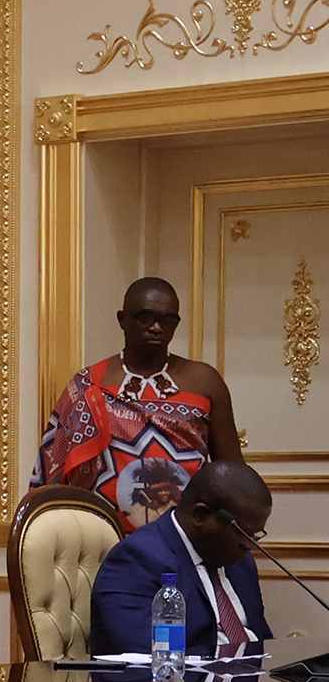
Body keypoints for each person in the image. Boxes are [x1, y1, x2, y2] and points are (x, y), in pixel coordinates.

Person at [30, 276, 244, 530]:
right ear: (122, 319)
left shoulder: (205, 382)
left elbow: (232, 474)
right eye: (145, 317)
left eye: (167, 320)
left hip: (186, 537)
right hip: (105, 537)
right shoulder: (89, 384)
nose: (156, 327)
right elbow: (53, 471)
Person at [90, 458, 273, 659]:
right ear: (200, 515)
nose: (249, 545)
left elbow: (262, 641)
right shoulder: (136, 560)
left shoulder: (239, 562)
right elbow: (148, 655)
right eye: (243, 533)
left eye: (255, 535)